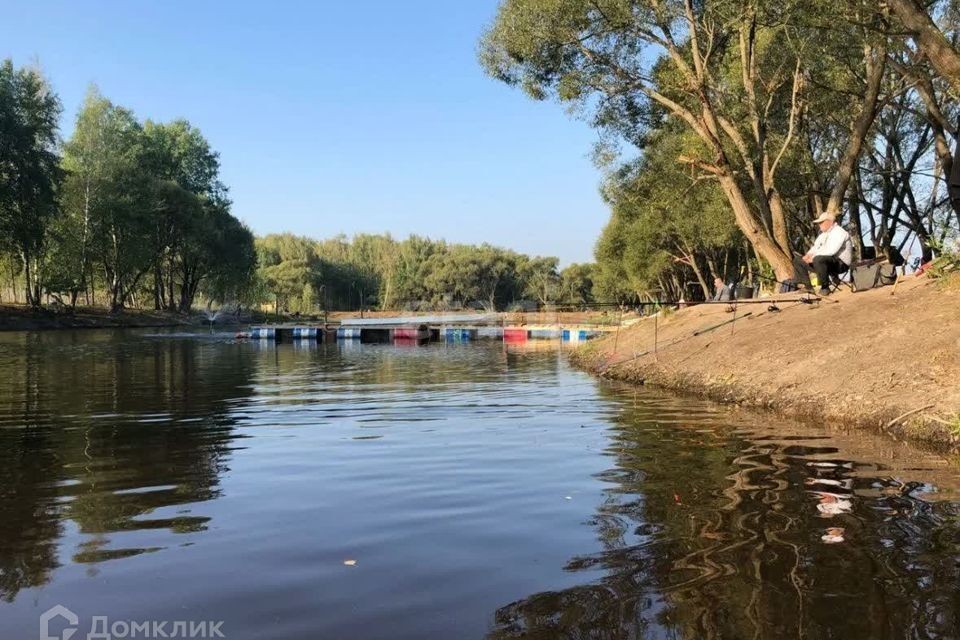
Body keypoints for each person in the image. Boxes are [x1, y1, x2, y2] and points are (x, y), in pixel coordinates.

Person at [802, 213, 852, 295]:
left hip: (841, 264)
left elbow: (831, 251)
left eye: (821, 222)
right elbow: (815, 247)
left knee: (818, 259)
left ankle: (825, 287)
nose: (819, 224)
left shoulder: (840, 232)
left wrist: (813, 257)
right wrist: (808, 255)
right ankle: (808, 287)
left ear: (830, 222)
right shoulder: (823, 235)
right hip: (826, 262)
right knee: (799, 261)